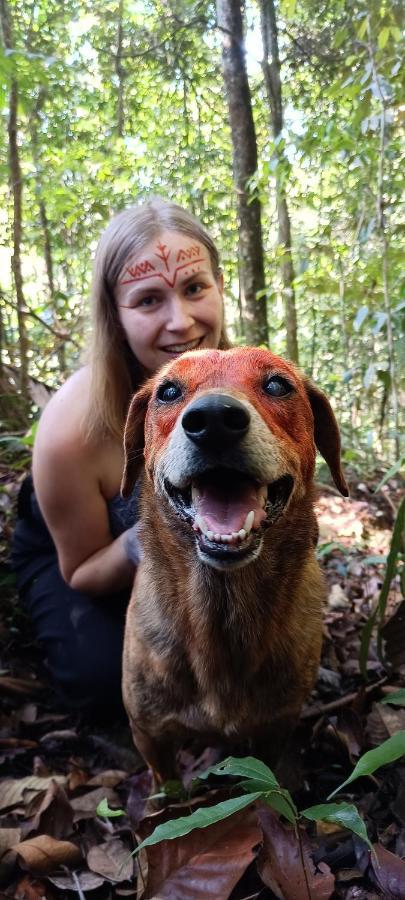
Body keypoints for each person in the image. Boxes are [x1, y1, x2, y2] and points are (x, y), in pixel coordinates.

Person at [11, 198, 229, 717]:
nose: (181, 322)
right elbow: (82, 570)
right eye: (149, 300)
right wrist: (157, 534)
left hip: (187, 552)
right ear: (115, 314)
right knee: (106, 677)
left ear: (221, 286)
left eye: (195, 287)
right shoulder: (74, 428)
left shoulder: (244, 390)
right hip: (85, 555)